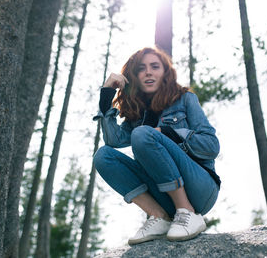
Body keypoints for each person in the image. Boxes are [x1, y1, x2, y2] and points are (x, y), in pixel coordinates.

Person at [93, 47, 220, 245]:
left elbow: (211, 145)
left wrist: (169, 134)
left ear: (165, 73)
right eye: (141, 69)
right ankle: (159, 216)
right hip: (163, 195)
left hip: (200, 186)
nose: (149, 72)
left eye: (155, 66)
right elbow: (112, 140)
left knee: (143, 134)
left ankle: (187, 210)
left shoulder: (186, 99)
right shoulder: (137, 114)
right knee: (103, 156)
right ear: (134, 76)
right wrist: (106, 94)